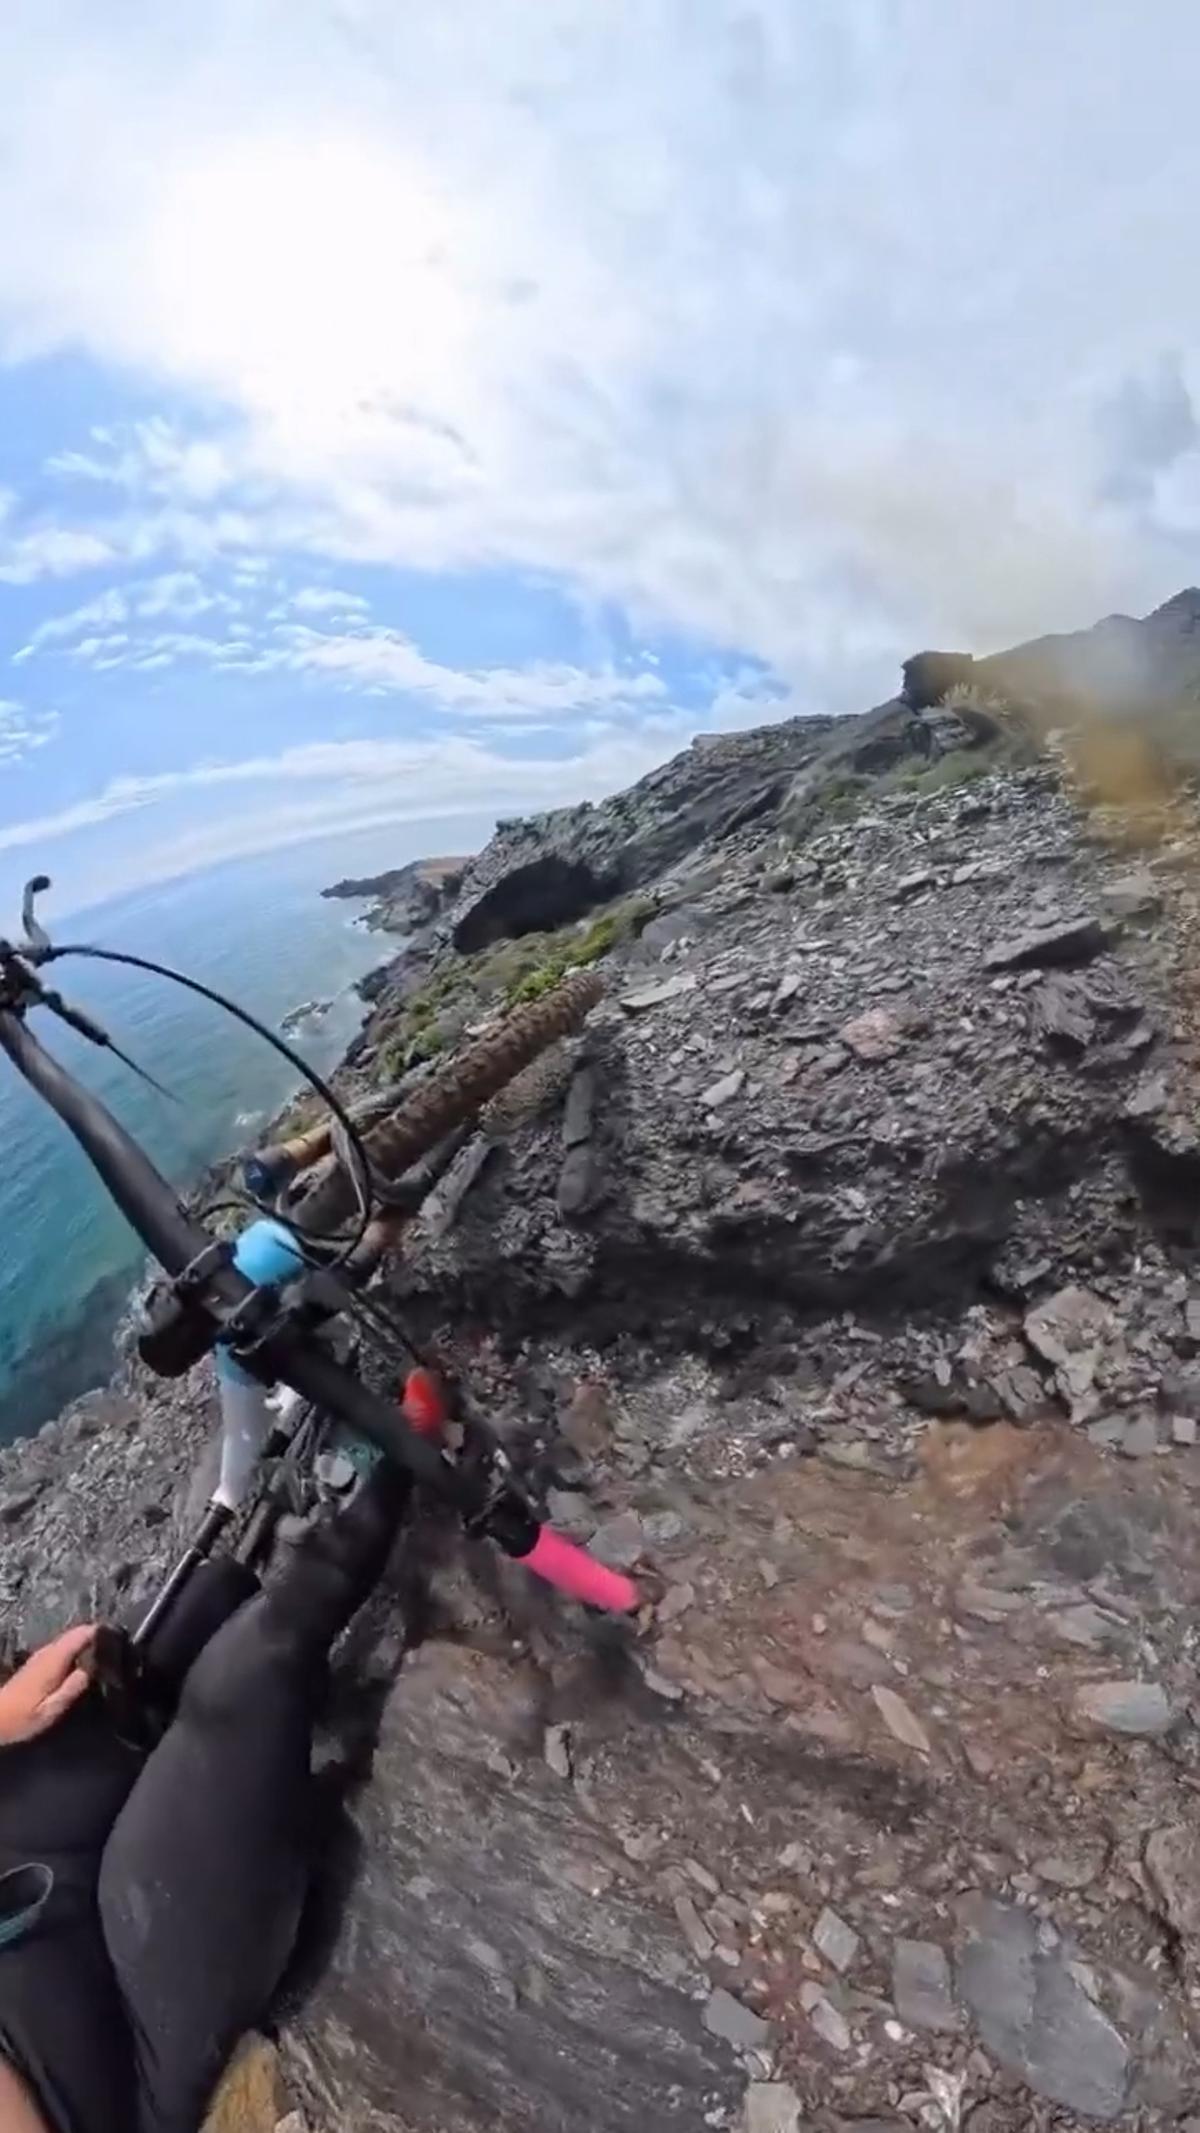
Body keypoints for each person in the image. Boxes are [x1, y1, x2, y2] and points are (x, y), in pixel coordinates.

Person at [0, 1465, 407, 2133]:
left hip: (30, 1896)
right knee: (254, 1664)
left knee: (205, 1595)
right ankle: (413, 1460)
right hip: (127, 2048)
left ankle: (321, 1456)